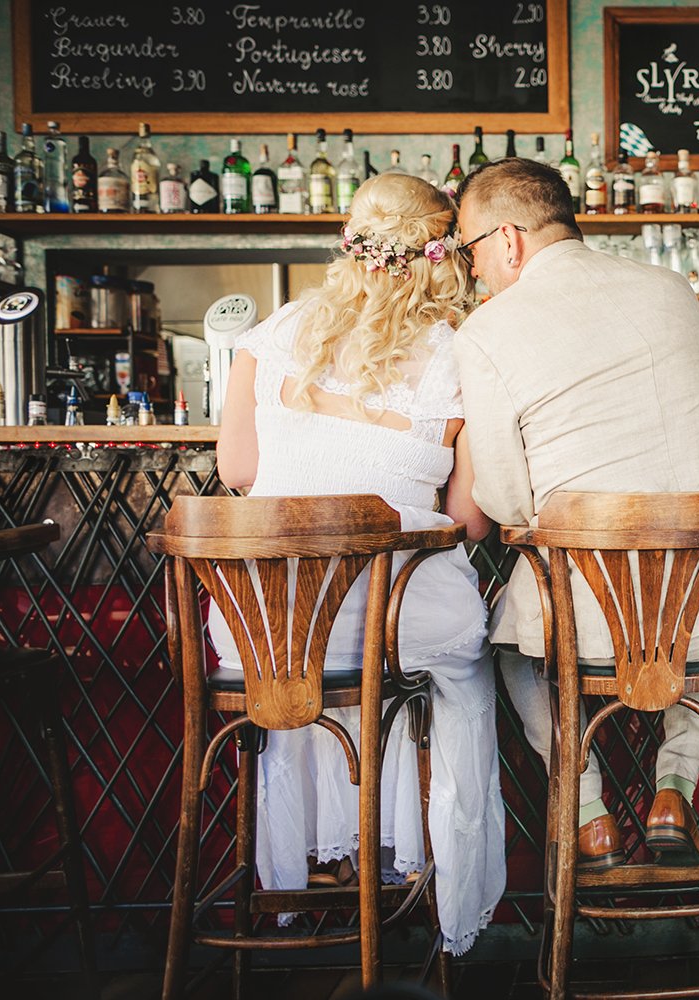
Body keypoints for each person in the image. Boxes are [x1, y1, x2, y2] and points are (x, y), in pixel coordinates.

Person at [452, 158, 699, 868]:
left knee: (510, 651)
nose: (473, 269)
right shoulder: (670, 288)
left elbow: (508, 502)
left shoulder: (486, 331)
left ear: (509, 240)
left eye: (471, 248)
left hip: (589, 620)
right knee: (698, 644)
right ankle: (675, 786)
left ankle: (588, 813)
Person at [210, 173, 506, 955]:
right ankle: (441, 896)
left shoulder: (275, 333)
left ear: (352, 238)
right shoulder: (456, 354)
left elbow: (237, 470)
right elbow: (470, 518)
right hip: (393, 615)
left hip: (263, 624)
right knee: (460, 671)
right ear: (444, 255)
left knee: (317, 663)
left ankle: (314, 873)